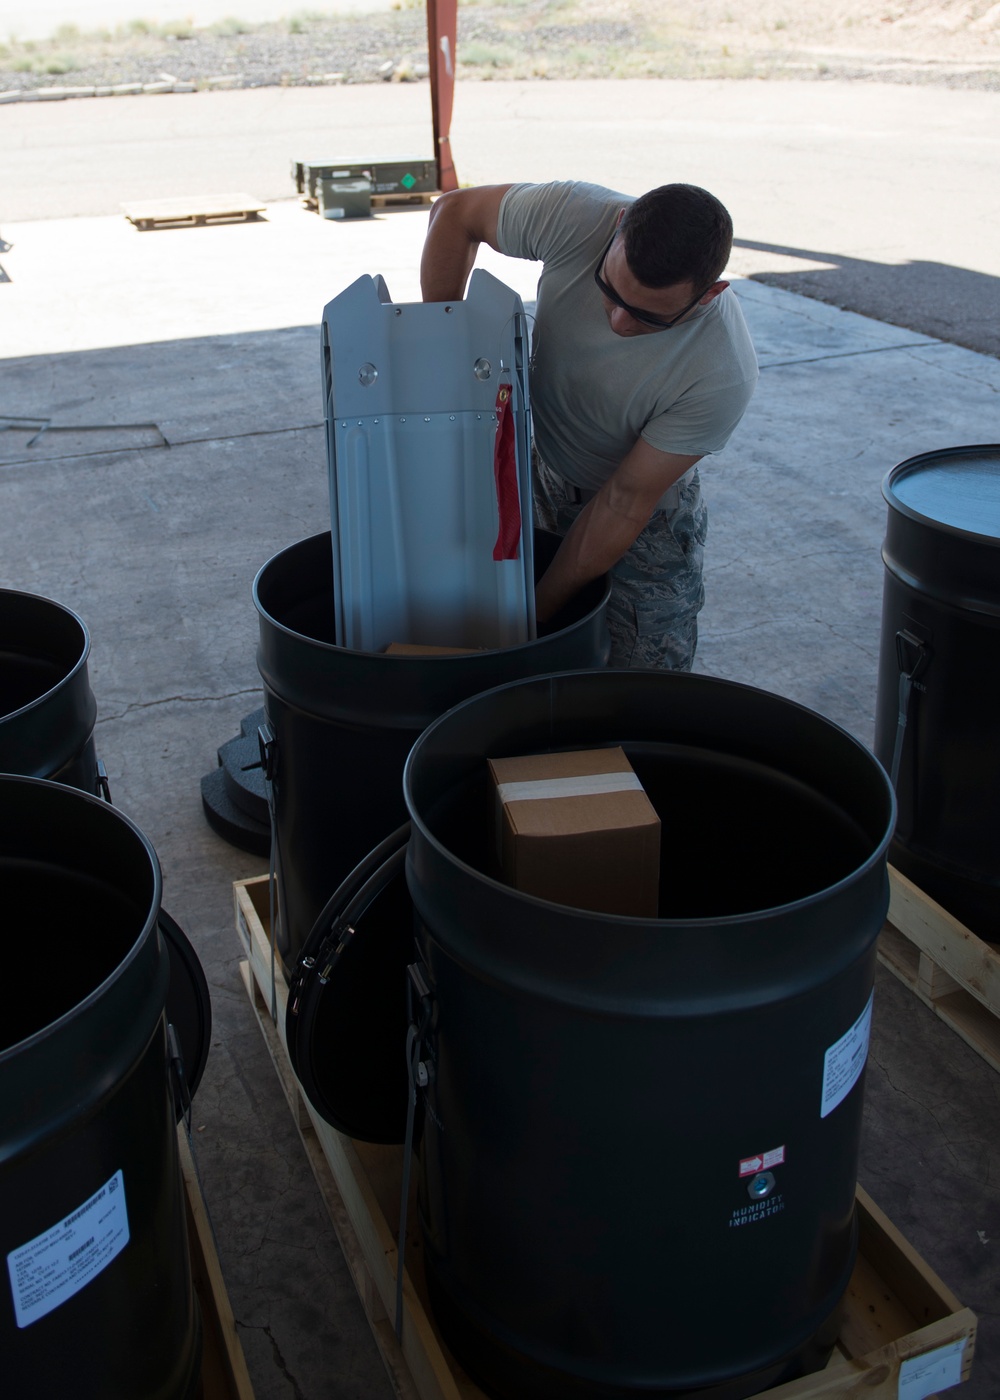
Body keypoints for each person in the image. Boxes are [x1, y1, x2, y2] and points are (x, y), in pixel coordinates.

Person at [420, 180, 759, 670]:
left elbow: (622, 502)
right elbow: (454, 213)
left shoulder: (721, 372)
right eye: (609, 289)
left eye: (648, 318)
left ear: (710, 295)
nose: (619, 322)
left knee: (639, 682)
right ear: (618, 228)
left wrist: (534, 620)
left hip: (643, 519)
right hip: (542, 470)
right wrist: (443, 343)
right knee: (530, 679)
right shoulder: (576, 215)